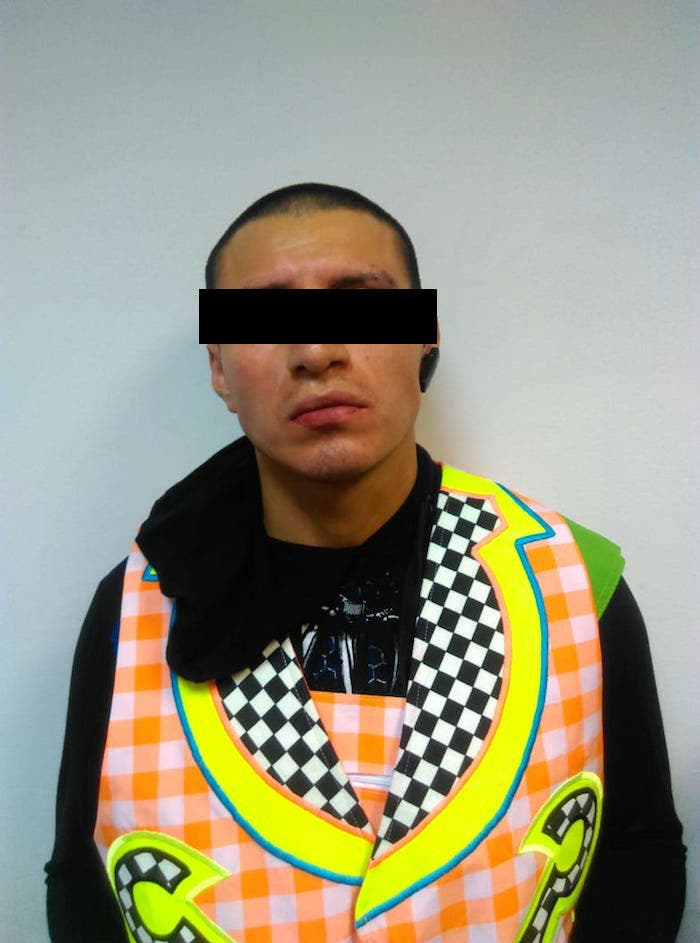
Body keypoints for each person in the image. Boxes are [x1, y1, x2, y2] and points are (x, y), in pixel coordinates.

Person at [46, 182, 686, 943]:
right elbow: (81, 879)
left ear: (425, 339)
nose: (318, 352)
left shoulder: (575, 583)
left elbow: (640, 848)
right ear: (219, 367)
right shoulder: (135, 608)